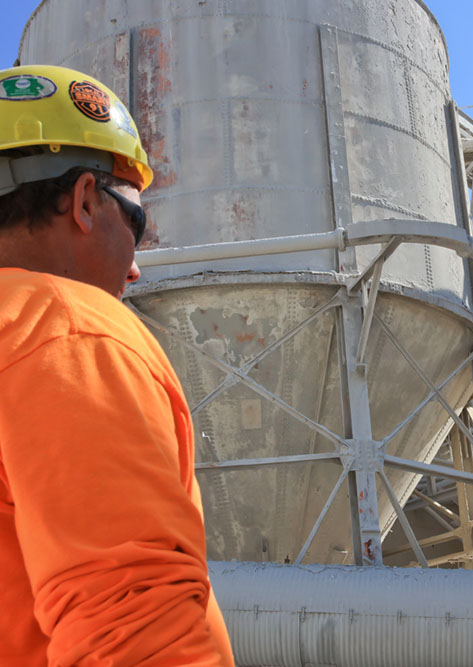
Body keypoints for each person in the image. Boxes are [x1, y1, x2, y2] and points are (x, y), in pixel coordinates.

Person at [0, 65, 234, 665]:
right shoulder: (61, 327)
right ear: (82, 200)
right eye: (137, 219)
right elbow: (135, 627)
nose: (135, 268)